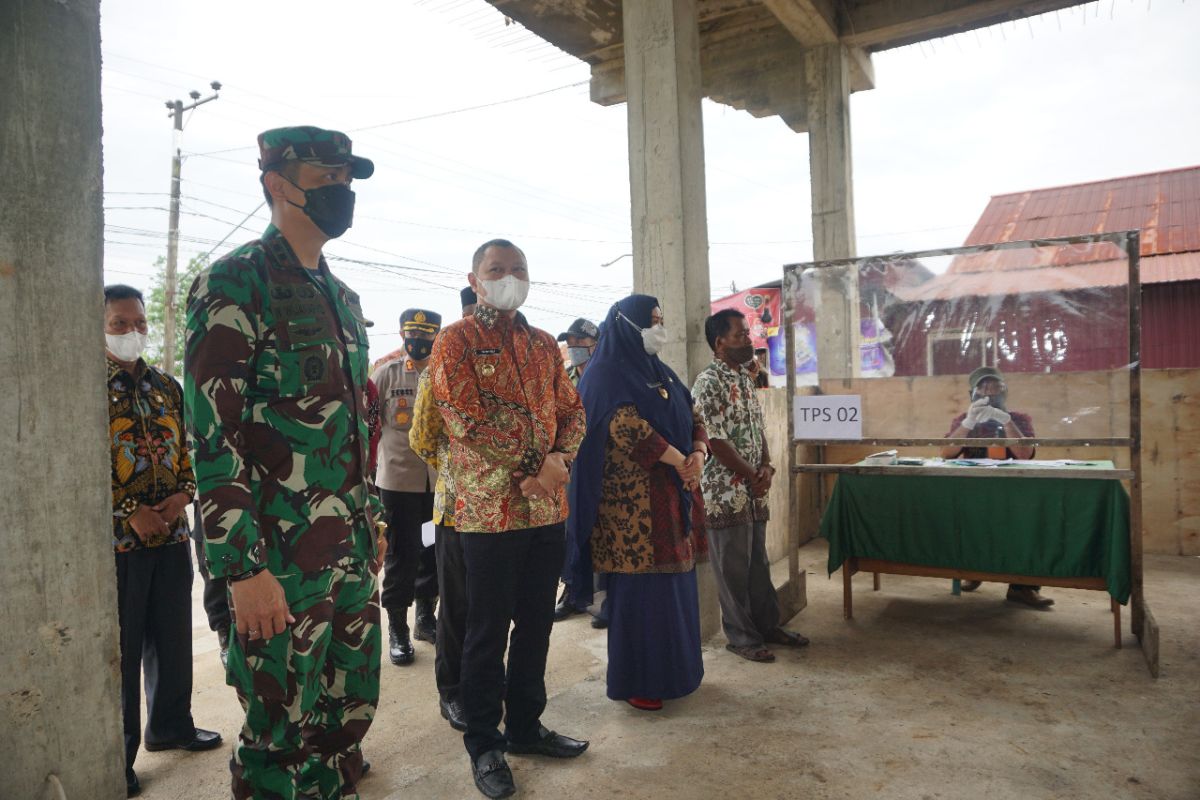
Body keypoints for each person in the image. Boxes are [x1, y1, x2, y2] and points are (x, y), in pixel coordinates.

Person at [184, 126, 387, 799]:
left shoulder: (345, 300)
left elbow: (358, 424)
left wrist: (373, 520)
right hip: (277, 557)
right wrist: (241, 571)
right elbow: (215, 437)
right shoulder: (234, 281)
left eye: (346, 179)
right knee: (280, 730)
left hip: (348, 548)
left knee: (345, 718)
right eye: (326, 178)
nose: (342, 191)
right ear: (278, 184)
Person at [430, 240, 589, 799]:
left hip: (546, 510)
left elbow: (572, 411)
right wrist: (537, 465)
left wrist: (559, 462)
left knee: (537, 627)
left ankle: (525, 726)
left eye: (518, 269)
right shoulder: (456, 341)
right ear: (474, 279)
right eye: (497, 270)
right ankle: (485, 744)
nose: (509, 278)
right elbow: (464, 420)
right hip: (489, 514)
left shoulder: (544, 344)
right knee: (485, 632)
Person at [104, 284, 221, 798]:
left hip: (173, 535)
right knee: (124, 653)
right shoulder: (81, 386)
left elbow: (187, 451)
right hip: (118, 544)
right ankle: (119, 755)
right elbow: (73, 463)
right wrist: (128, 512)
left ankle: (170, 725)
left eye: (139, 323)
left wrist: (183, 495)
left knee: (173, 640)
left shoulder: (166, 386)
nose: (133, 332)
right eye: (119, 324)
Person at [567, 294, 709, 713]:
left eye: (661, 320)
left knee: (675, 594)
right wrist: (681, 460)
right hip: (631, 518)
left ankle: (678, 675)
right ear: (626, 325)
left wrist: (698, 453)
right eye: (651, 321)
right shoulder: (604, 375)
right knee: (641, 599)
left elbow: (693, 412)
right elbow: (625, 427)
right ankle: (638, 680)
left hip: (672, 500)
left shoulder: (660, 372)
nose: (658, 328)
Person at [693, 309, 808, 664]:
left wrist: (768, 467)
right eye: (740, 335)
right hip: (724, 492)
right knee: (732, 569)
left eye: (747, 333)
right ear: (719, 343)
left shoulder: (745, 378)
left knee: (758, 563)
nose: (749, 339)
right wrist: (751, 474)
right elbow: (716, 440)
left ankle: (767, 626)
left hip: (753, 490)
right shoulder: (707, 383)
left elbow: (757, 430)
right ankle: (741, 637)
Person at [409, 287, 477, 733]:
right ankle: (451, 692)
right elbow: (421, 437)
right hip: (457, 510)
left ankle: (483, 683)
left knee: (491, 609)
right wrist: (458, 469)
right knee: (456, 608)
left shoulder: (519, 362)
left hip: (508, 514)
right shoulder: (444, 365)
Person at [940, 366, 1051, 608]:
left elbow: (1024, 454)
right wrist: (969, 422)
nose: (989, 391)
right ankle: (973, 572)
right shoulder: (963, 420)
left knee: (1023, 530)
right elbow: (946, 452)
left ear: (1005, 390)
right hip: (975, 488)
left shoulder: (1020, 419)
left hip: (1013, 489)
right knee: (969, 526)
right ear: (973, 392)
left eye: (995, 386)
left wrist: (1006, 420)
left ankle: (1022, 587)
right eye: (983, 387)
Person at [371, 309, 442, 665]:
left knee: (433, 551)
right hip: (398, 483)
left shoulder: (444, 374)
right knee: (401, 554)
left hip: (437, 483)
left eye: (427, 335)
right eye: (413, 334)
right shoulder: (385, 375)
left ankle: (425, 619)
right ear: (402, 333)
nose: (419, 341)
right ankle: (397, 627)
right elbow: (370, 428)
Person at [551, 317, 600, 623]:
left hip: (601, 465)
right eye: (570, 345)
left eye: (580, 344)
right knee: (572, 530)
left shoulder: (606, 377)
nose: (574, 350)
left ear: (595, 345)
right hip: (570, 465)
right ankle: (572, 591)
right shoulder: (566, 378)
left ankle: (600, 596)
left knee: (599, 530)